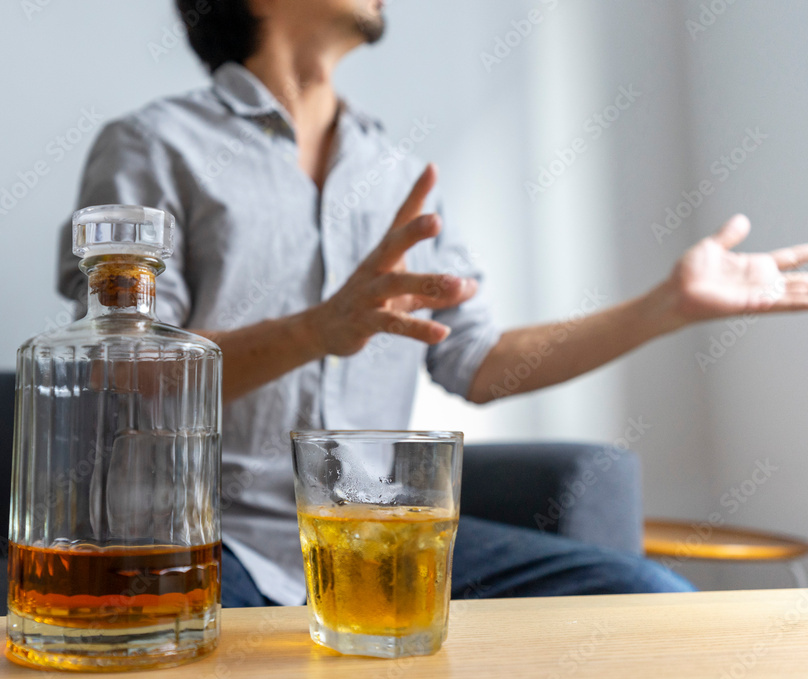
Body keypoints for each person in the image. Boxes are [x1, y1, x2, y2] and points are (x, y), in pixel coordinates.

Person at [58, 0, 808, 606]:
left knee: (646, 599)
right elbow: (127, 372)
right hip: (204, 541)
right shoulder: (153, 145)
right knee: (289, 675)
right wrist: (318, 329)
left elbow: (478, 364)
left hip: (378, 535)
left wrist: (666, 306)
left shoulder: (398, 173)